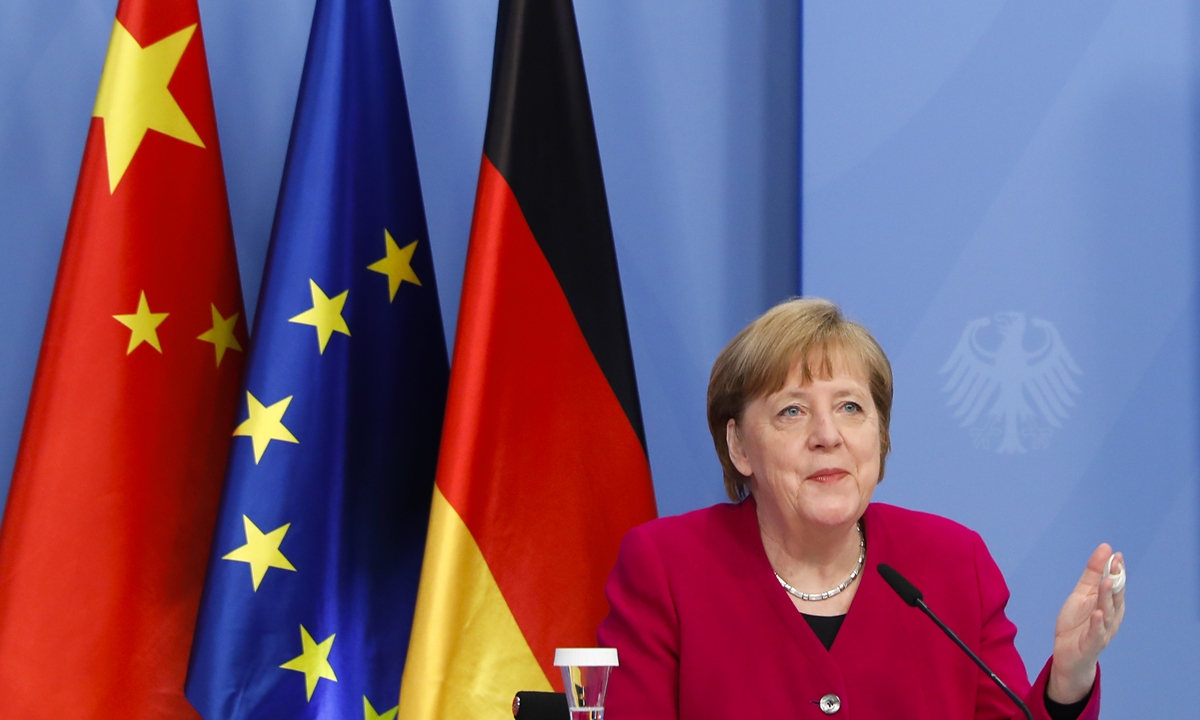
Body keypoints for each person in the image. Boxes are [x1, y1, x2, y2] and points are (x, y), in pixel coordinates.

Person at [597, 298, 1124, 719]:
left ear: (879, 433)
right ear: (739, 448)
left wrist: (1067, 682)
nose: (827, 436)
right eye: (792, 411)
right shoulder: (667, 567)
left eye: (851, 407)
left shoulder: (952, 563)